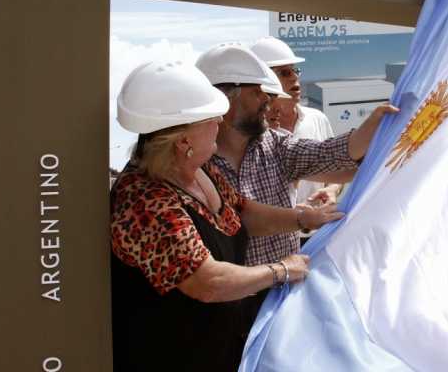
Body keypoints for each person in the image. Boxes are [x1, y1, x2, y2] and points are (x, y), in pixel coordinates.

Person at [109, 61, 343, 371]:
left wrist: (302, 219)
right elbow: (208, 281)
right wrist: (281, 270)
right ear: (183, 141)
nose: (221, 121)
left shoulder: (197, 170)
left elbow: (242, 213)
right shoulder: (145, 201)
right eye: (210, 118)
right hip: (172, 356)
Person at [197, 43, 397, 267]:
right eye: (257, 92)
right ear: (225, 99)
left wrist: (377, 127)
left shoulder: (276, 145)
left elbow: (329, 153)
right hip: (233, 297)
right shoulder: (192, 163)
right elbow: (244, 218)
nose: (267, 101)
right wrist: (303, 218)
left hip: (284, 289)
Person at [251, 36, 342, 206]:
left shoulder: (317, 119)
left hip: (318, 229)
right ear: (264, 80)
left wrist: (332, 189)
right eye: (285, 72)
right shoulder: (253, 131)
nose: (294, 77)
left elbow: (337, 170)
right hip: (276, 230)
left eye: (295, 70)